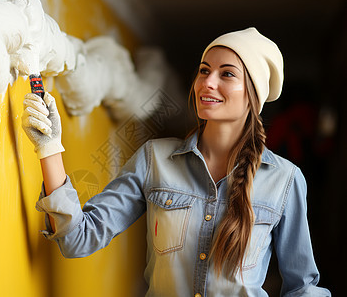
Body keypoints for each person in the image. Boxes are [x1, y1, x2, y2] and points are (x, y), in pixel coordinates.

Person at [22, 27, 331, 296]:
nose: (207, 82)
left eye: (227, 74)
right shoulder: (154, 159)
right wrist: (49, 147)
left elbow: (302, 287)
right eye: (204, 70)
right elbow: (78, 239)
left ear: (253, 95)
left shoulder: (285, 180)